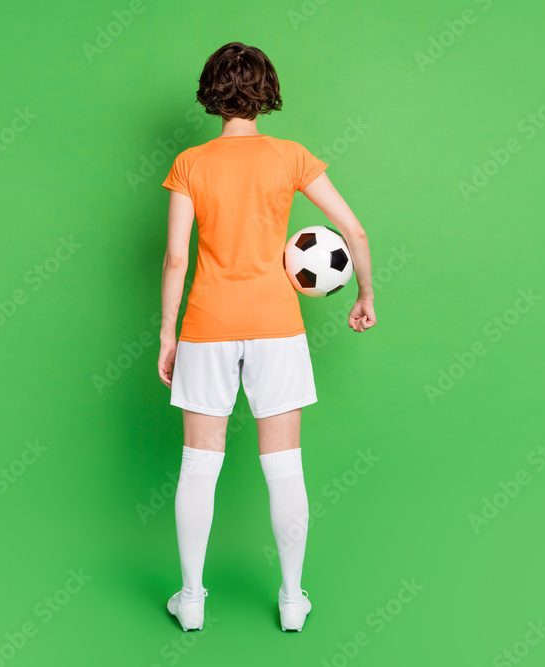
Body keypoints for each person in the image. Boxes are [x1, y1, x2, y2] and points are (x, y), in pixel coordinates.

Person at [156, 41, 376, 633]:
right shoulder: (290, 157)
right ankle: (291, 600)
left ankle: (193, 599)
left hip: (206, 326)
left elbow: (177, 259)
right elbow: (352, 229)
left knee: (199, 464)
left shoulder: (190, 164)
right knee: (284, 467)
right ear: (265, 91)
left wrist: (166, 336)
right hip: (278, 328)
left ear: (211, 91)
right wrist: (365, 296)